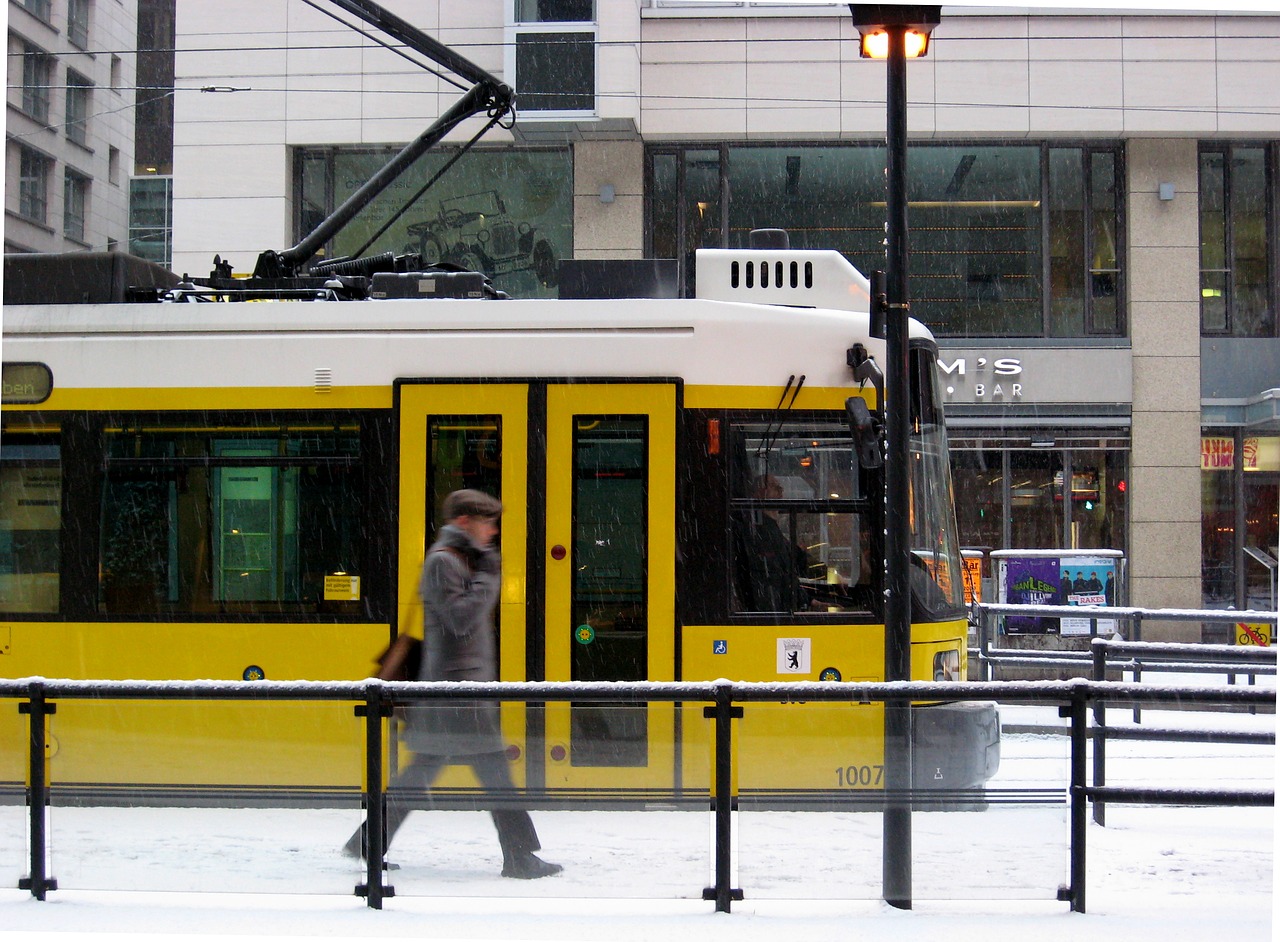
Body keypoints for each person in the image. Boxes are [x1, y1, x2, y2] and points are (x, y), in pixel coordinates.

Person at [345, 489, 562, 880]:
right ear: (464, 521)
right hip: (455, 694)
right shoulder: (444, 562)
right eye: (487, 522)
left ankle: (368, 842)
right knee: (496, 777)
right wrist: (488, 575)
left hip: (457, 692)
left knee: (423, 774)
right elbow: (460, 619)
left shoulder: (459, 559)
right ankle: (519, 857)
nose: (493, 531)